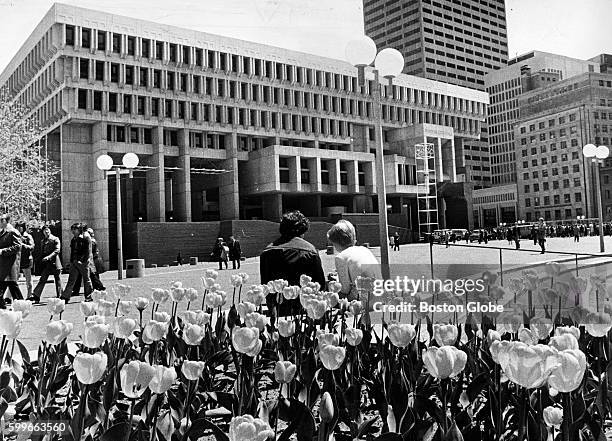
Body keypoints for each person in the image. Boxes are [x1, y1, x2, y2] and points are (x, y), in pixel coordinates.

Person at [260, 210, 325, 318]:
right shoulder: (310, 250)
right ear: (303, 230)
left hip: (277, 310)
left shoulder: (267, 252)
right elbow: (320, 284)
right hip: (304, 310)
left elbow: (266, 285)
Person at [327, 220, 379, 301]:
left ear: (336, 242)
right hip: (379, 294)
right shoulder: (364, 250)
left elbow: (344, 289)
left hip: (363, 300)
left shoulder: (340, 257)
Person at [61, 223, 94, 303]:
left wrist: (83, 261)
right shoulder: (74, 239)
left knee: (86, 279)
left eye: (75, 229)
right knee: (71, 279)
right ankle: (65, 297)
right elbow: (72, 251)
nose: (73, 231)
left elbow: (88, 251)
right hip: (75, 262)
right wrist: (72, 261)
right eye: (72, 229)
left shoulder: (86, 238)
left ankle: (89, 296)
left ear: (79, 230)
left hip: (83, 262)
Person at [30, 225, 63, 302]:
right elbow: (42, 252)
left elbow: (57, 250)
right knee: (43, 279)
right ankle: (36, 295)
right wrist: (38, 259)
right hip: (47, 264)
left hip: (55, 262)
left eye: (47, 230)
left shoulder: (55, 239)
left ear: (50, 230)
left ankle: (60, 296)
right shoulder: (42, 241)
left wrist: (49, 257)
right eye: (44, 230)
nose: (46, 232)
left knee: (58, 280)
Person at [0, 214, 23, 308]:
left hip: (10, 266)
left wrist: (3, 251)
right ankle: (3, 308)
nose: (0, 222)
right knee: (10, 287)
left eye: (2, 220)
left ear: (7, 221)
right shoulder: (2, 232)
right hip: (3, 266)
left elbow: (18, 247)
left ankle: (22, 306)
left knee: (13, 287)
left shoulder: (13, 232)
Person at [16, 222, 34, 298]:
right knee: (13, 280)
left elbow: (32, 247)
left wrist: (22, 245)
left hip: (26, 260)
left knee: (28, 280)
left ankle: (29, 295)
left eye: (21, 227)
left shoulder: (28, 236)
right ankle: (9, 297)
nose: (19, 229)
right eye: (17, 227)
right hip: (17, 260)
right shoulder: (15, 235)